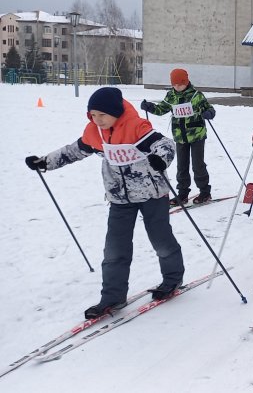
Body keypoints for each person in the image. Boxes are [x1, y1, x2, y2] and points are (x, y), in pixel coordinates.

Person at [26, 87, 183, 318]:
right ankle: (112, 296)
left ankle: (172, 279)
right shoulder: (95, 133)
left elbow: (165, 145)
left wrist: (160, 159)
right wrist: (45, 162)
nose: (97, 120)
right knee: (114, 250)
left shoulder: (135, 127)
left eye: (102, 115)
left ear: (116, 112)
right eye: (93, 115)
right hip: (119, 198)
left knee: (161, 240)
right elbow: (73, 151)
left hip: (152, 194)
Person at [141, 68, 216, 205]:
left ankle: (205, 192)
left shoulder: (196, 96)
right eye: (174, 84)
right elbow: (161, 109)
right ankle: (182, 194)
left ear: (186, 82)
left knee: (198, 165)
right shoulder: (171, 96)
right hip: (180, 136)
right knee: (181, 166)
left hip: (197, 135)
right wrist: (150, 107)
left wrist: (209, 113)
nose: (177, 87)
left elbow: (208, 108)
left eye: (180, 84)